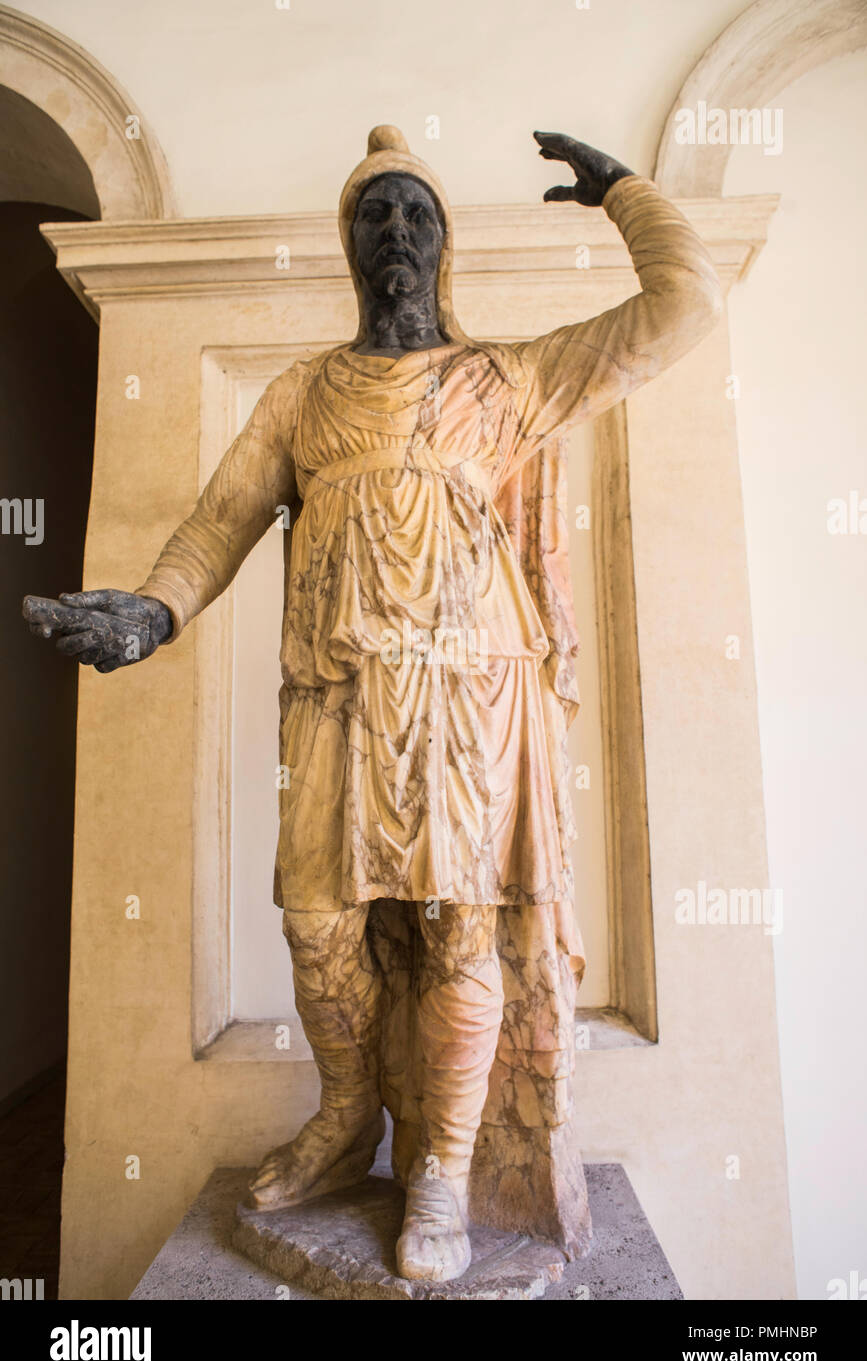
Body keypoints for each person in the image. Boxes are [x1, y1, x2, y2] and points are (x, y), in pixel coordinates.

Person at [24, 126, 721, 1283]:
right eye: (372, 216)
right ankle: (348, 1112)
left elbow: (683, 304)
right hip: (336, 704)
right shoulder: (302, 395)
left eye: (416, 215)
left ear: (444, 245)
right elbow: (217, 524)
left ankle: (443, 1165)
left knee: (457, 930)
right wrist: (151, 613)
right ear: (348, 246)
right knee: (316, 924)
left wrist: (629, 197)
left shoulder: (509, 380)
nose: (393, 233)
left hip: (464, 711)